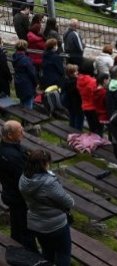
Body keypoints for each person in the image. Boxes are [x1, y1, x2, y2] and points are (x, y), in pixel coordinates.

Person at [20, 149, 74, 266]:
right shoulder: (49, 183)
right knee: (63, 253)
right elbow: (68, 202)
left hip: (37, 223)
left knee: (47, 252)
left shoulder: (24, 179)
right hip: (56, 225)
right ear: (44, 163)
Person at [0, 121, 36, 251]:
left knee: (16, 226)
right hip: (20, 197)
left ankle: (16, 250)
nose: (23, 133)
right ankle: (31, 257)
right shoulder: (13, 156)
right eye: (20, 131)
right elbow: (25, 179)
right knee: (26, 230)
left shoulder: (4, 149)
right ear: (9, 135)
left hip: (10, 194)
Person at [12, 40, 37, 109]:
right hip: (27, 84)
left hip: (18, 82)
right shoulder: (26, 60)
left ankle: (22, 117)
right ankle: (27, 118)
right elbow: (32, 74)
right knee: (28, 104)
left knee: (22, 101)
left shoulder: (15, 57)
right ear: (25, 48)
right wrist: (35, 83)